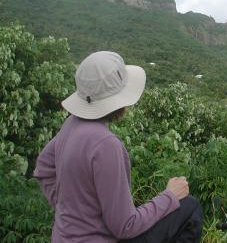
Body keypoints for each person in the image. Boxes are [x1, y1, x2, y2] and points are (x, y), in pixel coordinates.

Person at [34, 51, 202, 242]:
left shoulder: (71, 124)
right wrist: (170, 195)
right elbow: (125, 226)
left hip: (63, 236)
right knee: (190, 206)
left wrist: (72, 210)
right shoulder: (106, 144)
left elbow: (43, 169)